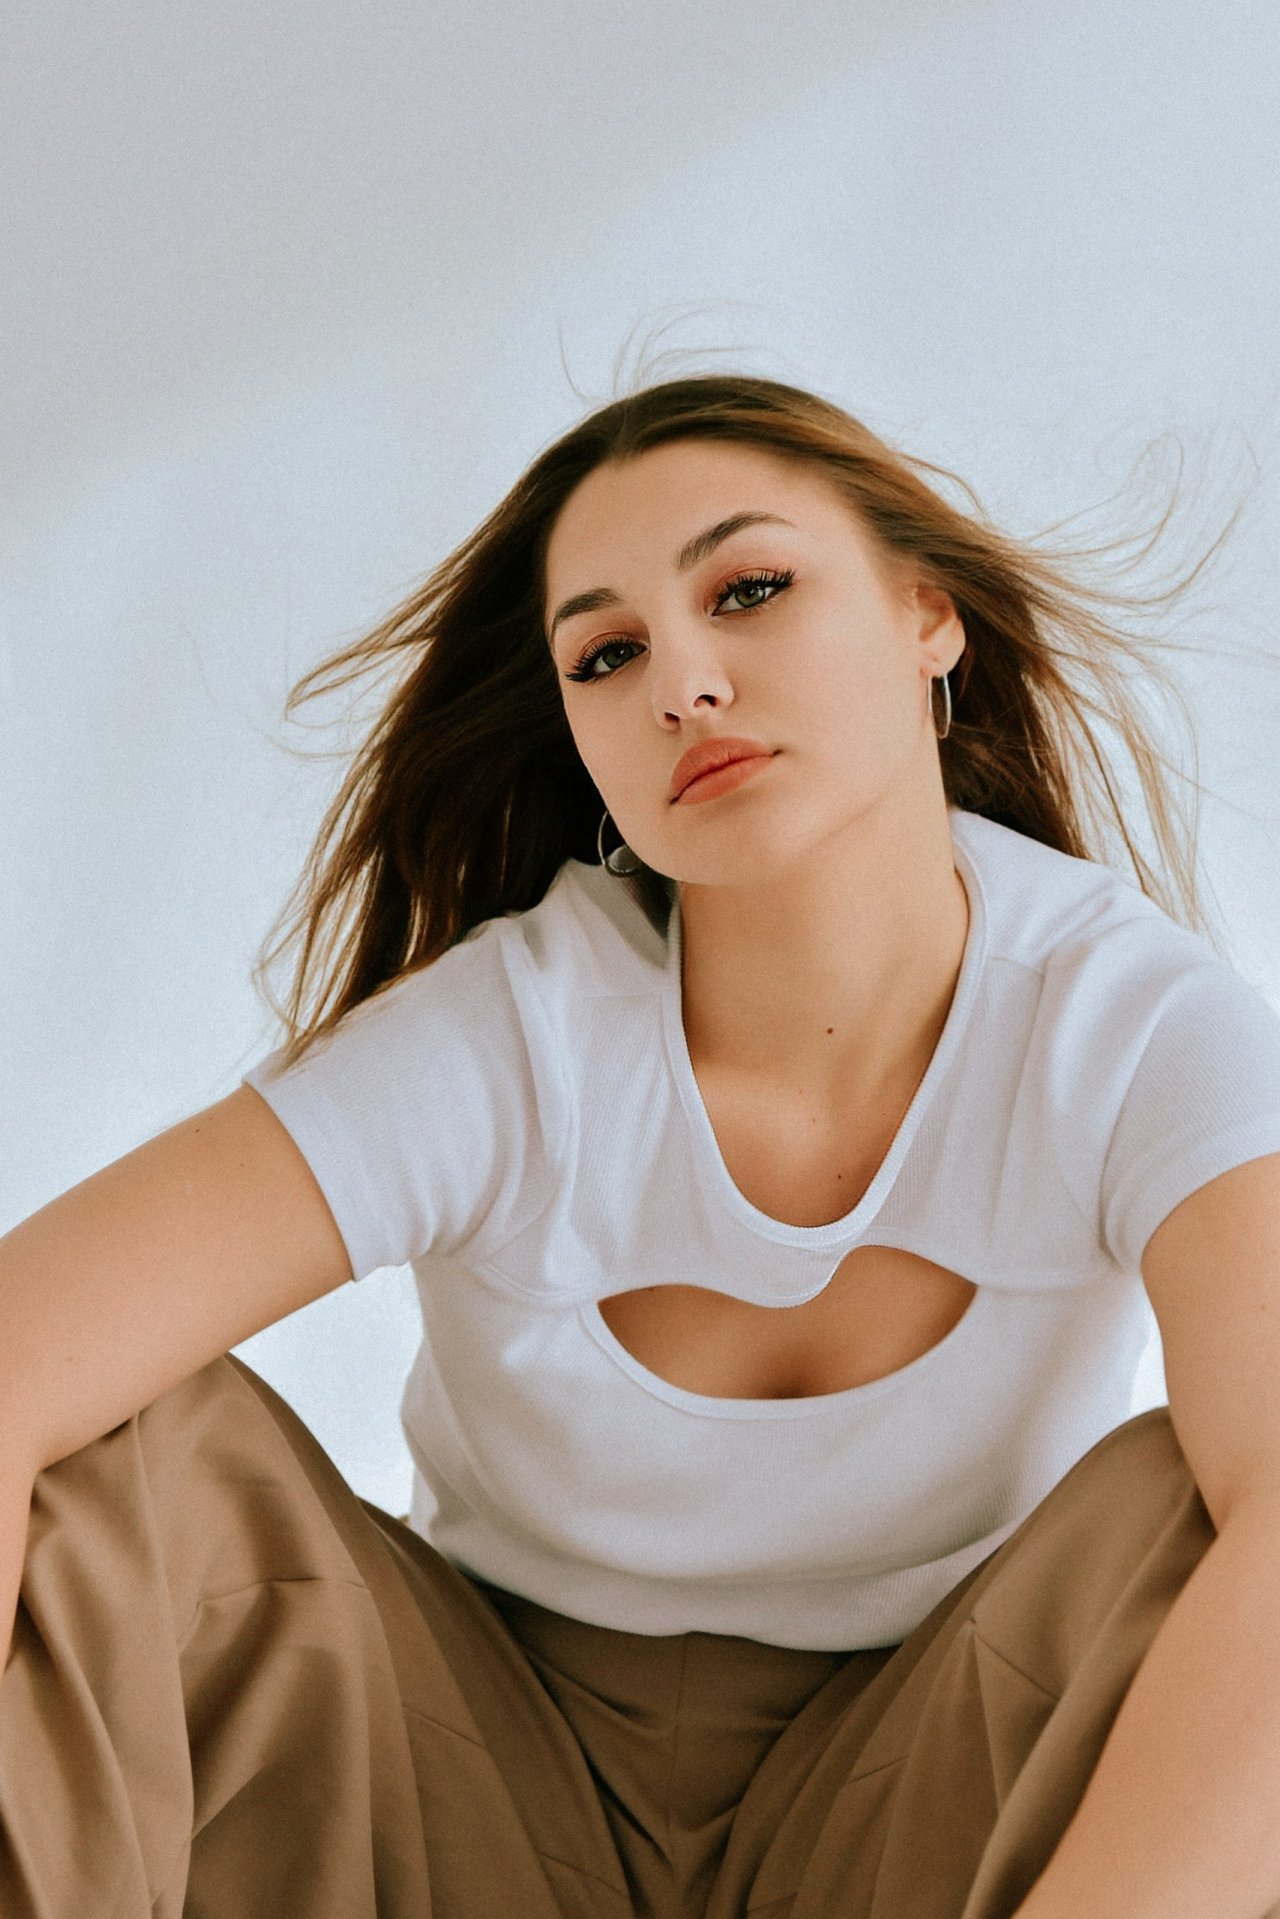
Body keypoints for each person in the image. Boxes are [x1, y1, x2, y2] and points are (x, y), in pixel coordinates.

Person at [4, 371, 1280, 1919]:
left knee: (1198, 1511)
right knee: (123, 1451)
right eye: (608, 655)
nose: (683, 684)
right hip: (463, 1798)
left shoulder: (1129, 1024)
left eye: (749, 590)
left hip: (935, 1811)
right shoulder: (517, 1035)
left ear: (928, 618)